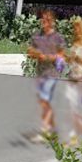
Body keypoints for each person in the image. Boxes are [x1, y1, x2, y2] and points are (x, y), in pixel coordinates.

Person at [26, 10, 66, 141]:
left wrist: (48, 57)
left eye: (47, 20)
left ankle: (44, 132)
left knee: (44, 101)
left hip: (52, 73)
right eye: (43, 19)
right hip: (40, 73)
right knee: (44, 102)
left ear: (52, 21)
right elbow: (30, 51)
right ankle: (52, 130)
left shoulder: (58, 37)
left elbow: (62, 55)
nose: (44, 22)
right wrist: (35, 54)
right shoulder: (37, 36)